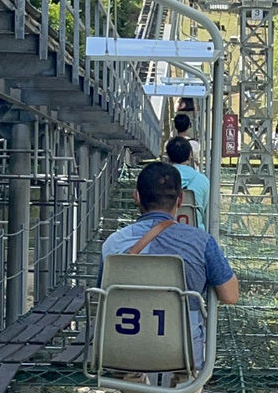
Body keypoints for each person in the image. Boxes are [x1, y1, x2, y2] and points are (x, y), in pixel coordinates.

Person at [101, 161, 238, 374]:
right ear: (180, 199)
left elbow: (101, 297)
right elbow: (230, 295)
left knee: (130, 375)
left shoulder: (113, 244)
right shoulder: (200, 241)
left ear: (136, 196)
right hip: (183, 351)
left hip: (123, 350)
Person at [166, 136, 210, 230]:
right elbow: (207, 212)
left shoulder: (159, 179)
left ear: (168, 156)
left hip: (164, 234)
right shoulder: (203, 181)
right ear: (190, 155)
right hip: (196, 235)